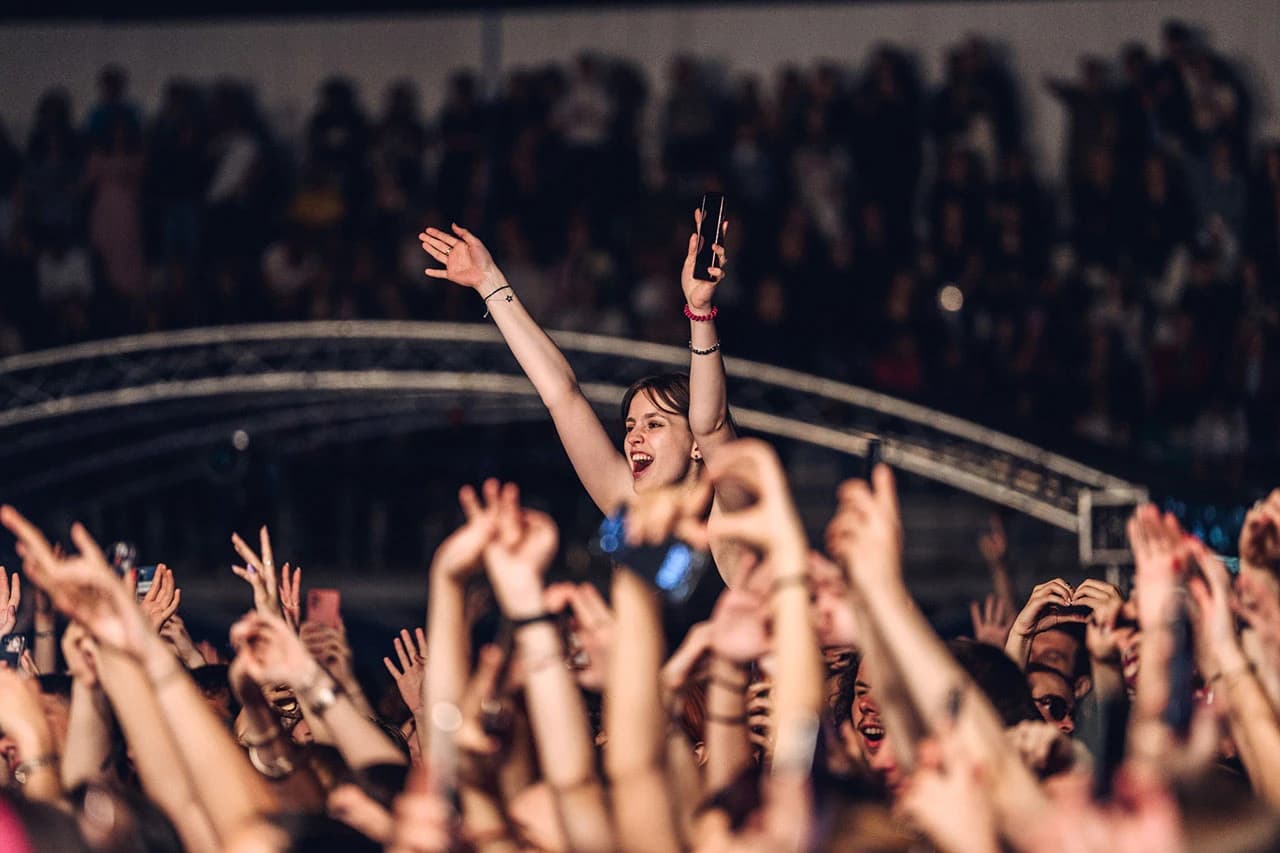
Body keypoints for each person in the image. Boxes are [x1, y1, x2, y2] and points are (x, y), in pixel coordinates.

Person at [418, 214, 743, 582]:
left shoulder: (730, 521)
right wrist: (489, 282)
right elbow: (562, 395)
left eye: (655, 424)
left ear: (697, 446)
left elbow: (710, 423)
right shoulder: (630, 509)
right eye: (631, 425)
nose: (634, 437)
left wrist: (699, 311)